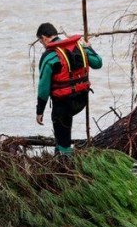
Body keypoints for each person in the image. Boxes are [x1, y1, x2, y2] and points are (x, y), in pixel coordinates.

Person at [35, 22, 103, 156]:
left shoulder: (50, 56)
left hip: (63, 103)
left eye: (41, 42)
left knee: (63, 134)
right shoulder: (79, 47)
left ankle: (66, 163)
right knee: (62, 132)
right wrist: (89, 48)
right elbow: (98, 63)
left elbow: (43, 88)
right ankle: (60, 150)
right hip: (81, 99)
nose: (43, 45)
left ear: (44, 38)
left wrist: (39, 111)